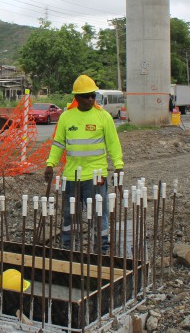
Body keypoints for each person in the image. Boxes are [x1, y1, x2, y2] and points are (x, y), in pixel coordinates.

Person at [44, 75, 124, 253]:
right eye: (86, 95)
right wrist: (51, 164)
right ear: (76, 98)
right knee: (70, 215)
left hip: (96, 177)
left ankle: (100, 251)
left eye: (92, 95)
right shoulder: (66, 117)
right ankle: (69, 248)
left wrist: (118, 166)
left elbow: (113, 144)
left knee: (98, 215)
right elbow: (58, 144)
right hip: (71, 177)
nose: (90, 99)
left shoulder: (103, 117)